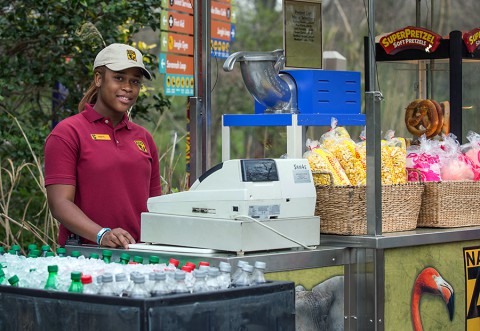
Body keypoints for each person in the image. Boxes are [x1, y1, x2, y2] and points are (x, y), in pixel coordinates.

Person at [44, 43, 161, 249]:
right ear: (98, 78)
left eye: (135, 81)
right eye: (119, 78)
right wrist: (102, 234)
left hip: (139, 257)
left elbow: (155, 206)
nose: (128, 87)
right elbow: (60, 204)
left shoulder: (144, 138)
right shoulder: (68, 132)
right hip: (84, 258)